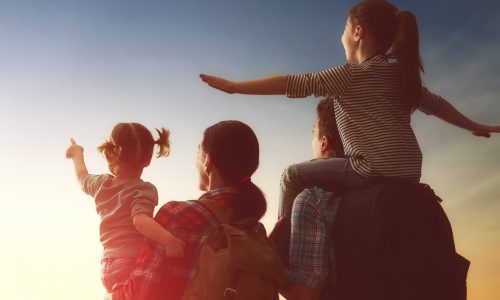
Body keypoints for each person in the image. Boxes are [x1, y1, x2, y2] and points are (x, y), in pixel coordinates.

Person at [199, 0, 500, 220]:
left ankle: (281, 248)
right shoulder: (401, 76)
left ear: (357, 32)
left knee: (291, 176)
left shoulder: (350, 75)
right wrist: (474, 124)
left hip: (369, 170)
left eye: (344, 28)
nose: (340, 35)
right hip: (409, 171)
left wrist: (236, 87)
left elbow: (292, 83)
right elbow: (438, 106)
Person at [107, 120, 268, 300]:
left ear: (207, 161)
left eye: (197, 151)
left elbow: (139, 295)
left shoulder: (178, 214)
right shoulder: (256, 230)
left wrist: (110, 295)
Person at [65, 123, 185, 294]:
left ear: (110, 154)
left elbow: (82, 178)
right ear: (148, 159)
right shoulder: (143, 189)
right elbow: (140, 220)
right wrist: (169, 240)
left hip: (107, 265)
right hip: (130, 261)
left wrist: (77, 154)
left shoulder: (102, 184)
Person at [279, 98, 343, 300]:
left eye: (313, 134)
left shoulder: (312, 201)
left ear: (324, 142)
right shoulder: (386, 187)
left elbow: (304, 296)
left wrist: (267, 263)